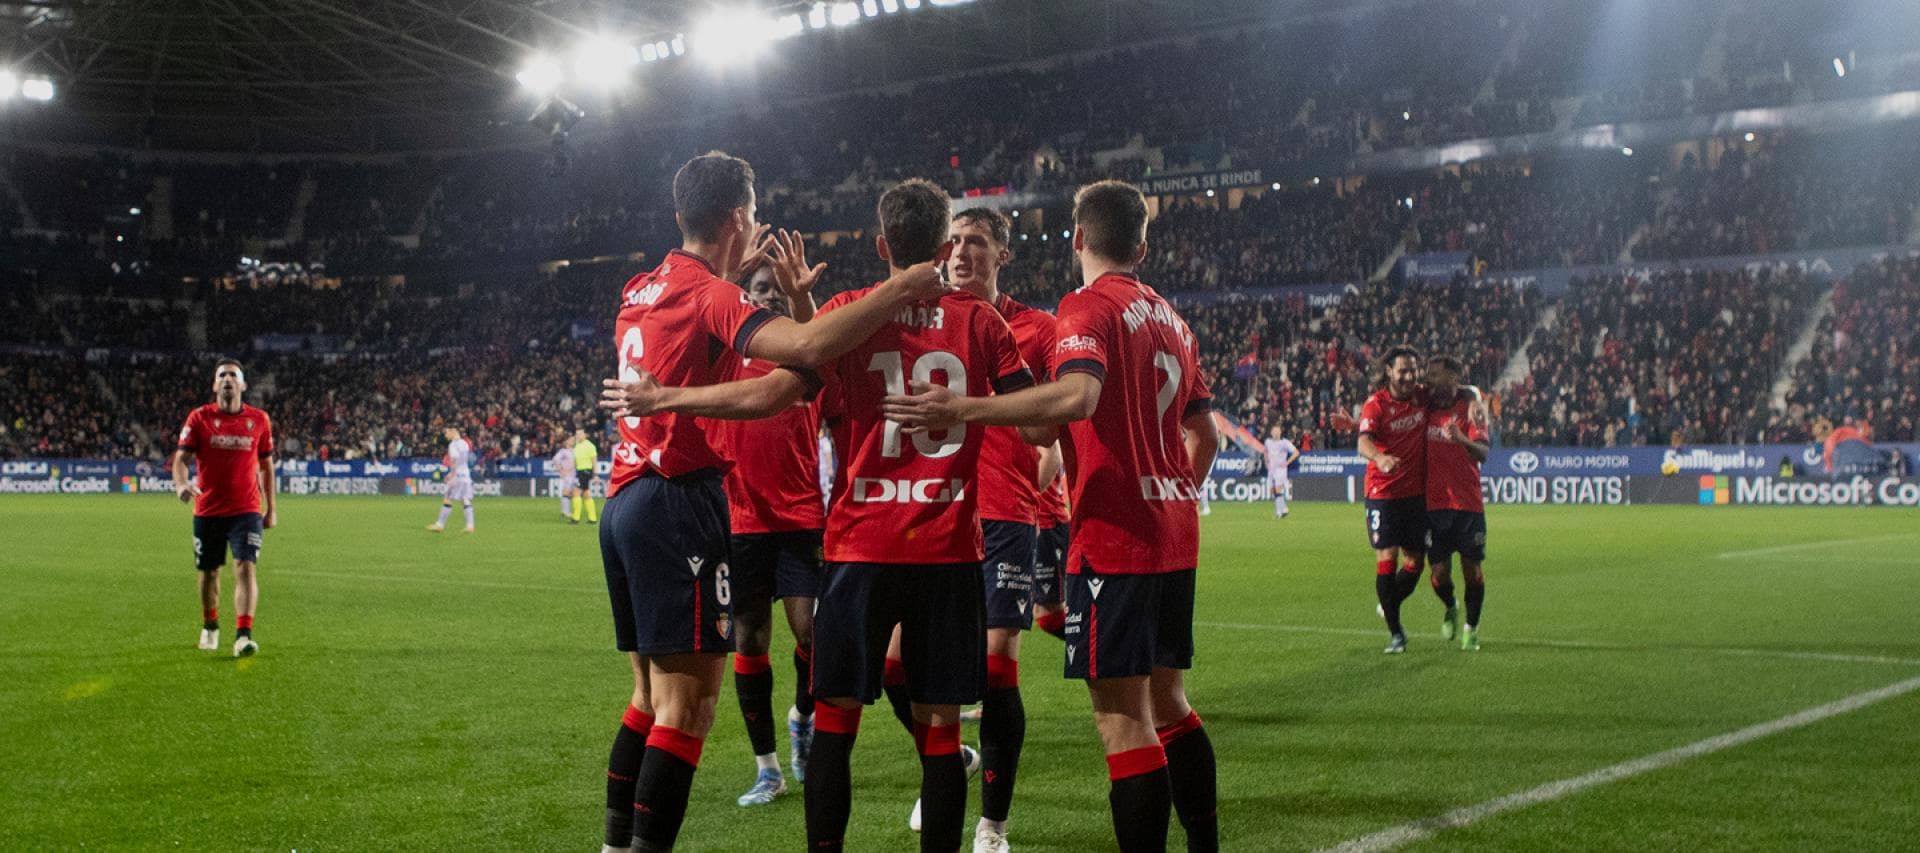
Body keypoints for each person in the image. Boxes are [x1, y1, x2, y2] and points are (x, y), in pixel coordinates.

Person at [603, 179, 1027, 853]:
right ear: (945, 247)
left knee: (834, 721)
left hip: (858, 549)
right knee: (942, 731)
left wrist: (672, 396)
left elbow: (776, 390)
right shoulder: (982, 322)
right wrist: (971, 410)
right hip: (948, 551)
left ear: (882, 244)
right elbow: (1036, 424)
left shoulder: (847, 315)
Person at [882, 180, 1221, 853]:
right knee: (1167, 703)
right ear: (1143, 244)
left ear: (1075, 238)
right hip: (1169, 529)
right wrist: (1168, 494)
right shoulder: (1171, 319)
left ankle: (992, 823)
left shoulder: (1079, 309)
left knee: (1124, 722)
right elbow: (1203, 436)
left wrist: (964, 409)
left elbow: (1076, 397)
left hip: (1109, 535)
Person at [942, 205, 1056, 853]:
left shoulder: (1035, 329)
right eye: (953, 242)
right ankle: (951, 758)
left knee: (995, 669)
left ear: (1001, 255)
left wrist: (1038, 476)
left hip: (1005, 514)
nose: (961, 252)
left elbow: (1052, 424)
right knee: (899, 670)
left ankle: (992, 824)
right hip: (930, 512)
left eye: (976, 242)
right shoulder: (926, 321)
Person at [705, 254, 828, 808]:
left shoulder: (806, 361)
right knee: (749, 640)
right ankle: (768, 768)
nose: (770, 295)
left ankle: (802, 715)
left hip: (801, 519)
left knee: (814, 638)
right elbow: (705, 313)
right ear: (746, 297)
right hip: (741, 523)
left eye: (777, 290)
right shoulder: (725, 359)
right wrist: (729, 277)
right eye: (761, 288)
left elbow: (824, 338)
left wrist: (801, 299)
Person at [172, 358, 276, 658]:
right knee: (209, 573)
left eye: (233, 375)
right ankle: (211, 624)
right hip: (208, 510)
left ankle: (243, 635)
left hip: (246, 510)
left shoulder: (259, 420)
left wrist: (271, 509)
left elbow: (267, 467)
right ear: (215, 385)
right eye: (222, 375)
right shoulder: (199, 418)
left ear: (242, 385)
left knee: (245, 567)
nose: (228, 379)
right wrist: (181, 484)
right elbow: (180, 460)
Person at [1356, 346, 1429, 655]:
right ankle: (1396, 634)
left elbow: (1454, 389)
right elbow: (1363, 442)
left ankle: (1389, 603)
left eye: (1413, 369)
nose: (1409, 376)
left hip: (1415, 495)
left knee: (1416, 562)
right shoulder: (1376, 405)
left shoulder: (1423, 396)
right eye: (1403, 370)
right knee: (1388, 559)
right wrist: (1380, 457)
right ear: (1389, 371)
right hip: (1383, 494)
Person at [1421, 356, 1489, 651]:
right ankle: (1450, 605)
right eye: (1430, 375)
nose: (1431, 380)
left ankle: (1471, 628)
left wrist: (1461, 438)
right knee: (1438, 574)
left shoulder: (1470, 409)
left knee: (1471, 570)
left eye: (1438, 375)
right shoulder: (1423, 406)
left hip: (1468, 504)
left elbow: (1483, 453)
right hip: (1434, 506)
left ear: (1454, 380)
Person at [426, 426, 474, 533]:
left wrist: (452, 474)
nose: (446, 436)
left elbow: (454, 460)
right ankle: (470, 525)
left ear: (453, 432)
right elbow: (465, 460)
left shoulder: (453, 445)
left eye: (447, 433)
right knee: (465, 499)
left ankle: (440, 524)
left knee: (447, 499)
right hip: (466, 475)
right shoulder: (465, 443)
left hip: (457, 476)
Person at [1264, 425, 1300, 519]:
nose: (1275, 433)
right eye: (1274, 431)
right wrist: (1266, 462)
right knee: (1272, 491)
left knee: (1277, 489)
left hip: (1280, 469)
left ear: (1280, 432)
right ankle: (1284, 508)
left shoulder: (1284, 443)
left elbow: (1296, 452)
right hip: (1271, 469)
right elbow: (1265, 451)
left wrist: (1287, 462)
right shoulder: (1268, 442)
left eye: (1277, 431)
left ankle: (1279, 512)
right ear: (1271, 433)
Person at [572, 428, 600, 525]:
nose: (578, 436)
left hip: (586, 471)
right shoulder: (576, 446)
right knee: (586, 494)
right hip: (580, 471)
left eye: (580, 434)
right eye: (577, 434)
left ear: (585, 435)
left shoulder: (590, 446)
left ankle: (575, 518)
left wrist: (596, 474)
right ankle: (592, 518)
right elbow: (575, 461)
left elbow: (594, 460)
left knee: (576, 493)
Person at [554, 432, 576, 520]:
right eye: (571, 440)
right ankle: (565, 511)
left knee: (570, 492)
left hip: (573, 474)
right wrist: (561, 470)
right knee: (566, 492)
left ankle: (565, 510)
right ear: (566, 442)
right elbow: (555, 459)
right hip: (568, 475)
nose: (573, 441)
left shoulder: (573, 450)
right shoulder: (563, 451)